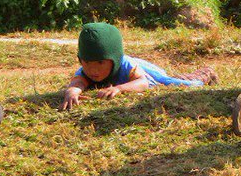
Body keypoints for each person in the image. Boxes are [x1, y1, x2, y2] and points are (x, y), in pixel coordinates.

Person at [60, 22, 218, 110]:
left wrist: (120, 88)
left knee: (175, 82)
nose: (93, 70)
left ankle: (206, 73)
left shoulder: (126, 65)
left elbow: (143, 82)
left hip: (149, 73)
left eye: (100, 62)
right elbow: (78, 82)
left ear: (114, 59)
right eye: (87, 62)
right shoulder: (85, 71)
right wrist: (72, 91)